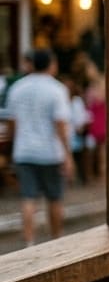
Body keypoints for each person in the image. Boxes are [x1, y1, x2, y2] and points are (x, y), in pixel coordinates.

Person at [8, 49, 74, 246]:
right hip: (50, 152)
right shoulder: (56, 89)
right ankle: (56, 239)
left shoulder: (18, 88)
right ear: (51, 64)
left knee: (28, 198)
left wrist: (14, 145)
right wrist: (67, 154)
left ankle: (29, 242)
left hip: (24, 150)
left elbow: (12, 122)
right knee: (54, 198)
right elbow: (61, 124)